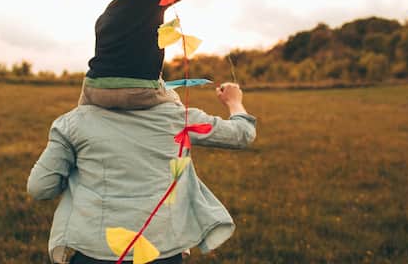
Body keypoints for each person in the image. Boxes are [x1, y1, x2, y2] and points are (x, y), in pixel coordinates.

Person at [28, 82, 257, 263]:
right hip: (161, 252)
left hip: (93, 253)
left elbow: (40, 187)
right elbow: (242, 133)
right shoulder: (179, 118)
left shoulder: (73, 123)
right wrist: (234, 101)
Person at [79, 0, 199, 110]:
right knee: (173, 98)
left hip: (94, 89)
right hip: (138, 91)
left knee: (82, 114)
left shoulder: (103, 17)